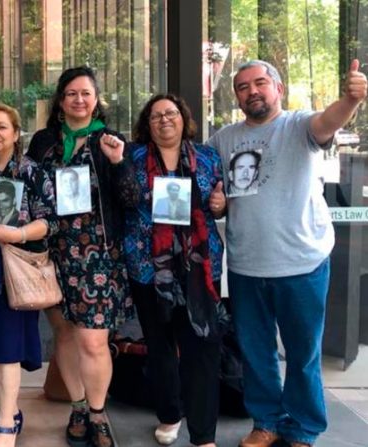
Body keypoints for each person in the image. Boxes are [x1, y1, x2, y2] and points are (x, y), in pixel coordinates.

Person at [207, 59, 367, 447]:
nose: (252, 91)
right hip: (246, 265)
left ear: (278, 88)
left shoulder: (298, 126)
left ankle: (303, 428)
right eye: (243, 87)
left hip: (302, 263)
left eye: (260, 83)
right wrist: (219, 203)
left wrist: (350, 100)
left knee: (302, 355)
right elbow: (217, 191)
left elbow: (328, 123)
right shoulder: (223, 139)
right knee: (256, 353)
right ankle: (266, 423)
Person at [27, 66, 138, 447]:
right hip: (53, 250)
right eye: (71, 93)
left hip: (98, 255)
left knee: (93, 341)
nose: (78, 99)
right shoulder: (43, 142)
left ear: (96, 99)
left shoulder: (110, 140)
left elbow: (131, 199)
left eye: (86, 93)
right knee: (65, 335)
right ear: (60, 101)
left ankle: (97, 412)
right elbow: (27, 192)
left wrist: (120, 161)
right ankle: (77, 405)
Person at [124, 93, 228, 447]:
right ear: (146, 124)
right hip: (147, 266)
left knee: (201, 346)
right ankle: (169, 414)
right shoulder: (132, 157)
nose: (164, 120)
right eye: (155, 116)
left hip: (198, 266)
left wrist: (221, 204)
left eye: (171, 113)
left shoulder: (210, 157)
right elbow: (124, 198)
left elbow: (220, 202)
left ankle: (203, 434)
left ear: (184, 118)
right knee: (160, 345)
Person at [0, 103, 58, 447]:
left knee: (8, 345)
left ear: (16, 134)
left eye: (2, 127)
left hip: (15, 264)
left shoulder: (31, 171)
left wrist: (16, 234)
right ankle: (8, 409)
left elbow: (51, 220)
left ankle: (7, 422)